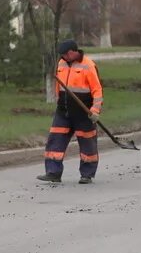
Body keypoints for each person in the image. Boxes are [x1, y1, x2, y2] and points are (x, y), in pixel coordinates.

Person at [38, 40, 103, 185]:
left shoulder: (88, 65)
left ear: (74, 51)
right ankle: (53, 172)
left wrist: (95, 110)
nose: (64, 57)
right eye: (62, 55)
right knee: (55, 142)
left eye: (66, 54)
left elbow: (97, 90)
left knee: (88, 145)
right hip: (63, 112)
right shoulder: (61, 64)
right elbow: (58, 86)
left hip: (84, 113)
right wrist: (58, 101)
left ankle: (87, 174)